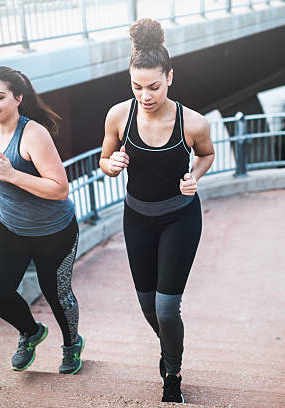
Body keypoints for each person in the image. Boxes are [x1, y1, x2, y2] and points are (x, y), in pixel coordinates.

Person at [99, 18, 215, 403]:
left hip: (180, 216)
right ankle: (170, 349)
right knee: (149, 305)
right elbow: (103, 157)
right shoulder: (119, 116)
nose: (145, 96)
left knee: (167, 307)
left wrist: (194, 175)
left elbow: (207, 154)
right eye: (136, 87)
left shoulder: (192, 122)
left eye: (153, 86)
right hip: (137, 219)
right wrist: (111, 164)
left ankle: (173, 373)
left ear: (170, 78)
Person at [0, 66, 85, 375]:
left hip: (53, 231)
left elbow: (59, 189)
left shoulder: (34, 135)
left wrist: (13, 175)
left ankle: (72, 344)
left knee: (57, 295)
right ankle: (30, 331)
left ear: (18, 98)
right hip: (10, 227)